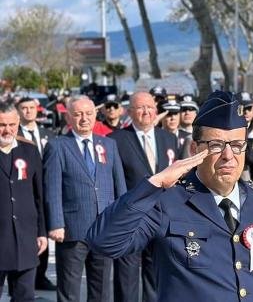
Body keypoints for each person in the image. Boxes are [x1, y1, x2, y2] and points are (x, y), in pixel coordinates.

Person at [87, 91, 253, 301]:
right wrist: (154, 184)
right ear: (194, 149)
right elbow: (104, 242)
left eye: (237, 145)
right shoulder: (168, 202)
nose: (228, 156)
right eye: (216, 145)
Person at [43, 95, 127, 302]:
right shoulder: (58, 146)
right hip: (72, 230)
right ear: (68, 118)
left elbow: (120, 186)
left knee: (101, 289)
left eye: (88, 113)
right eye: (78, 114)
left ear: (96, 115)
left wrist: (122, 222)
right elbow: (52, 188)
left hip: (104, 228)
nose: (84, 118)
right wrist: (56, 224)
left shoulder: (109, 144)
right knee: (69, 289)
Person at [108, 91, 180, 302]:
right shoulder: (116, 140)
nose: (146, 112)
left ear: (156, 110)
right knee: (127, 275)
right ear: (130, 112)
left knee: (156, 273)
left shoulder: (169, 138)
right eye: (140, 108)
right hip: (129, 219)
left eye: (149, 107)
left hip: (161, 217)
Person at [0, 103, 48, 301]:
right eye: (2, 125)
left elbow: (39, 195)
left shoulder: (29, 150)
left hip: (25, 240)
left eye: (12, 124)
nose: (7, 130)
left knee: (24, 296)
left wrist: (42, 232)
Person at [15, 96, 55, 290]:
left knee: (43, 230)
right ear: (18, 111)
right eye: (24, 108)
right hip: (22, 189)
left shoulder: (48, 133)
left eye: (32, 107)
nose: (28, 111)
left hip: (45, 189)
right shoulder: (12, 133)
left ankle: (41, 276)